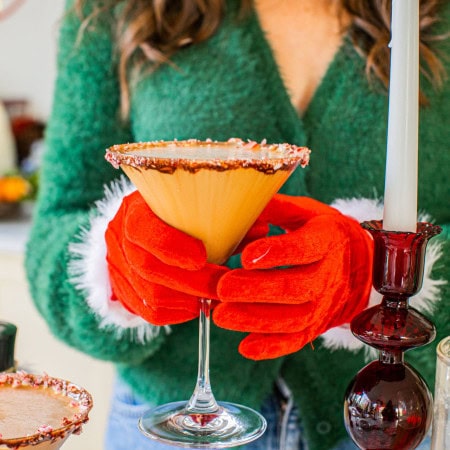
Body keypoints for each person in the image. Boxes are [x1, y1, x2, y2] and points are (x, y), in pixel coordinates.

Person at [25, 0, 449, 449]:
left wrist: (377, 280)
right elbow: (57, 224)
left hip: (390, 419)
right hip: (166, 430)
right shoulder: (111, 9)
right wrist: (112, 268)